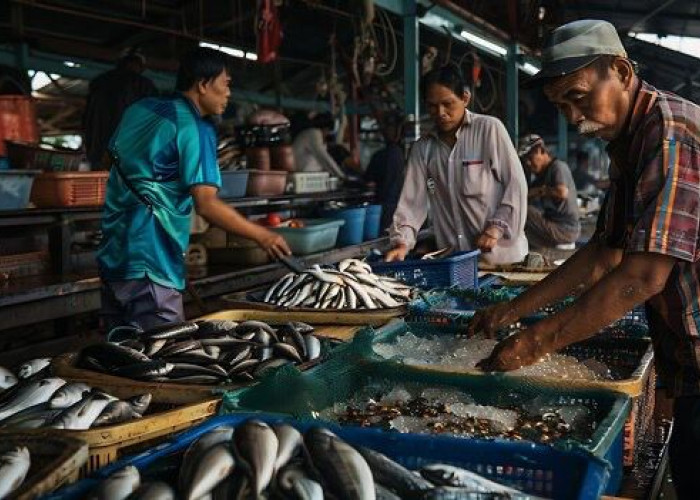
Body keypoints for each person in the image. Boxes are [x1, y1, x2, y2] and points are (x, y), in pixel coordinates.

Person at [468, 20, 700, 499]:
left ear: (619, 69)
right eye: (561, 105)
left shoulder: (668, 132)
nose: (573, 117)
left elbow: (639, 279)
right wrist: (512, 311)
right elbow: (600, 256)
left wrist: (535, 343)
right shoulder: (627, 144)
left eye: (578, 96)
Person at [97, 47, 291, 332]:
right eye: (225, 84)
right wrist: (263, 235)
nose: (228, 94)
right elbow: (207, 203)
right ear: (203, 84)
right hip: (152, 258)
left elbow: (107, 160)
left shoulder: (139, 110)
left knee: (119, 353)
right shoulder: (195, 128)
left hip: (113, 253)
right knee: (161, 357)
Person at [386, 64, 528, 264]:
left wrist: (496, 228)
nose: (441, 112)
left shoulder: (489, 130)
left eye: (448, 103)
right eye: (432, 106)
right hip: (456, 264)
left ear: (465, 98)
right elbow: (411, 204)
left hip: (503, 261)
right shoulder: (423, 149)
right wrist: (402, 243)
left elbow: (516, 186)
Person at [83, 47, 158, 169]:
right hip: (129, 153)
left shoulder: (98, 83)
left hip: (99, 152)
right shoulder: (145, 86)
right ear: (141, 66)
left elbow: (87, 119)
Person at [518, 134, 580, 249]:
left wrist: (540, 190)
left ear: (540, 151)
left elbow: (562, 192)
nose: (528, 163)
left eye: (530, 158)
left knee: (524, 210)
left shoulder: (558, 167)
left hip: (565, 229)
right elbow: (525, 195)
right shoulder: (541, 175)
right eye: (525, 160)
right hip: (554, 226)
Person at [365, 113, 406, 230]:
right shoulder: (403, 155)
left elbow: (368, 180)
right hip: (399, 207)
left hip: (382, 207)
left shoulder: (379, 156)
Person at [292, 112, 347, 179]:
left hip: (308, 175)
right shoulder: (313, 133)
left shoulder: (310, 134)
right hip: (304, 176)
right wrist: (341, 176)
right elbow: (323, 157)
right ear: (325, 128)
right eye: (328, 131)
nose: (327, 134)